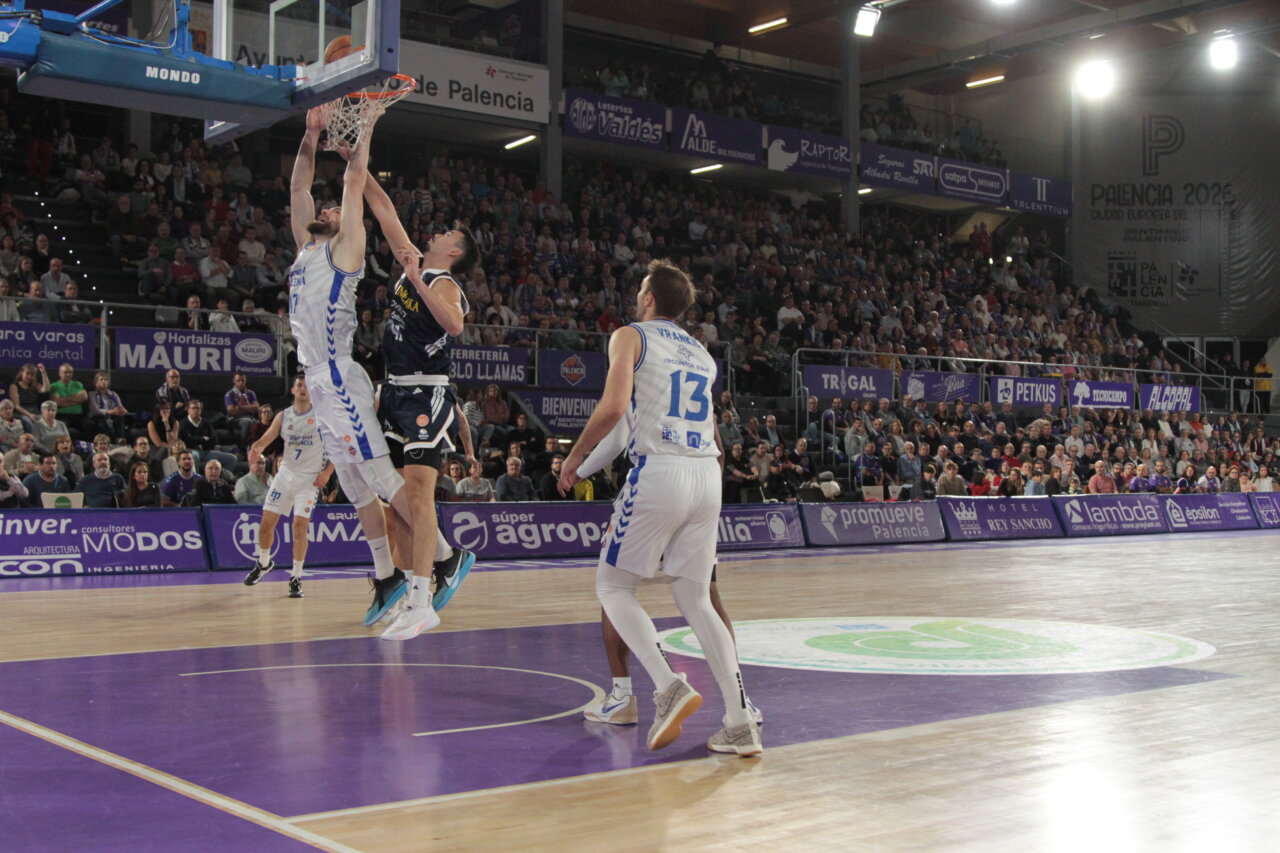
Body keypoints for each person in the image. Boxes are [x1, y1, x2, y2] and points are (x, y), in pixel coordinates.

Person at [559, 259, 761, 756]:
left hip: (661, 470)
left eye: (641, 289)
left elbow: (612, 411)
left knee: (613, 586)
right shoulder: (702, 354)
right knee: (696, 600)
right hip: (706, 474)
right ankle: (740, 721)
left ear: (648, 296)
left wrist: (574, 456)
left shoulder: (630, 336)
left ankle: (667, 686)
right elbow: (712, 430)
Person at [287, 106, 433, 635]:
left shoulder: (346, 246)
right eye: (320, 208)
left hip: (340, 375)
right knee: (352, 484)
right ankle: (387, 576)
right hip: (317, 380)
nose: (322, 208)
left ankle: (440, 554)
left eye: (330, 208)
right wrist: (309, 135)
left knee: (376, 473)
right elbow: (298, 187)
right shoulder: (306, 248)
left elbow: (352, 180)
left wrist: (365, 123)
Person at [362, 173, 480, 636]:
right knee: (396, 503)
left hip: (426, 392)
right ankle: (420, 584)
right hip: (393, 389)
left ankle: (422, 599)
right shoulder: (414, 259)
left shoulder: (446, 282)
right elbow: (384, 209)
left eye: (447, 233)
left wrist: (416, 279)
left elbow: (453, 326)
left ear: (454, 251)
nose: (437, 232)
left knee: (417, 494)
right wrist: (359, 162)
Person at [242, 375, 335, 599]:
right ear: (293, 390)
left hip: (310, 480)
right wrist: (255, 449)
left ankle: (295, 577)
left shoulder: (322, 415)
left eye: (306, 386)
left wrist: (327, 472)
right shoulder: (284, 416)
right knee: (265, 524)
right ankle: (264, 562)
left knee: (299, 527)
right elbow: (265, 440)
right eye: (299, 385)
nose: (302, 388)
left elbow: (339, 446)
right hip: (285, 475)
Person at [224, 370, 260, 447]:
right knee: (247, 422)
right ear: (234, 381)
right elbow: (231, 411)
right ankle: (243, 448)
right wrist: (249, 409)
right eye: (238, 380)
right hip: (233, 419)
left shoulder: (250, 393)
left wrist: (240, 407)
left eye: (242, 381)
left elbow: (256, 408)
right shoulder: (230, 394)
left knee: (260, 423)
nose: (241, 383)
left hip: (250, 417)